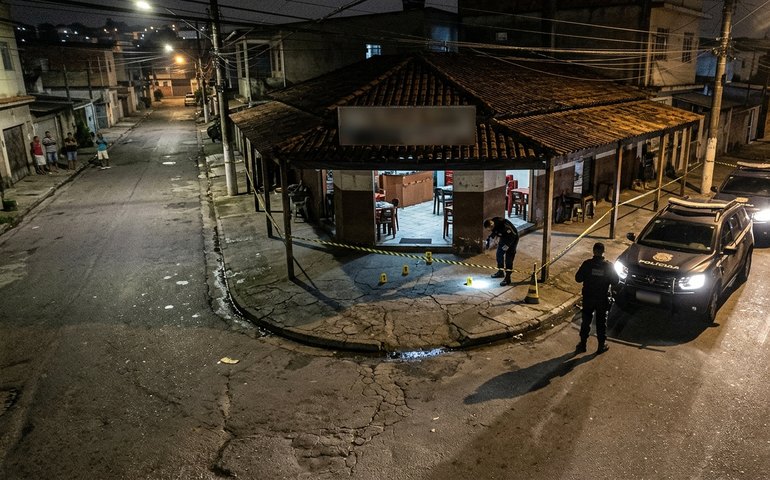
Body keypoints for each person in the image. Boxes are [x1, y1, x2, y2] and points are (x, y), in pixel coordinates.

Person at [574, 242, 619, 354]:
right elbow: (616, 281)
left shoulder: (587, 264)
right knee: (601, 323)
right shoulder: (608, 266)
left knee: (586, 321)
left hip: (588, 297)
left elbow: (578, 278)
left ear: (593, 251)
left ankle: (582, 345)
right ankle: (601, 346)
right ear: (603, 252)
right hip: (602, 299)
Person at [484, 216, 519, 286]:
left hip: (512, 239)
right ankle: (500, 272)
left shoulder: (504, 226)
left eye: (490, 229)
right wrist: (488, 242)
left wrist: (506, 247)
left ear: (491, 225)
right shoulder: (493, 223)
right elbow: (494, 232)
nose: (490, 230)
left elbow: (513, 236)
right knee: (499, 254)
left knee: (509, 258)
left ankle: (508, 278)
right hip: (504, 237)